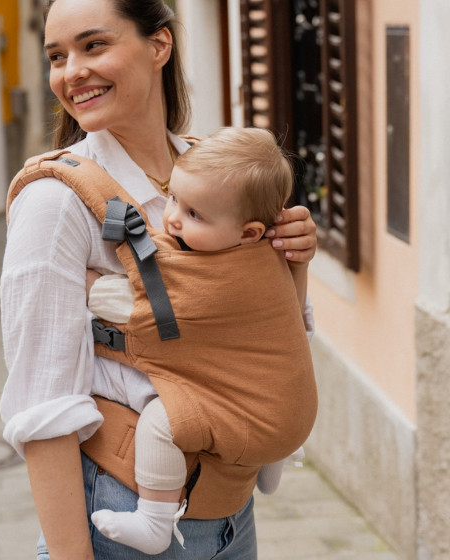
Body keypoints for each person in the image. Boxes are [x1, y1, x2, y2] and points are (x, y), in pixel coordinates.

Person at [0, 1, 318, 559]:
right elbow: (42, 406)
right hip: (123, 517)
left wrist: (293, 262)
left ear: (159, 46)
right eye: (56, 56)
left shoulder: (215, 175)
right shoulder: (56, 201)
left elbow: (264, 336)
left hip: (231, 516)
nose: (71, 71)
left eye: (93, 46)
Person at [87, 126, 311, 554]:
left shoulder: (215, 276)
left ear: (248, 232)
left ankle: (154, 521)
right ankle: (269, 463)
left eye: (195, 215)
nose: (172, 218)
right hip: (288, 413)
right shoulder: (268, 253)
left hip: (261, 423)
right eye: (172, 196)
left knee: (163, 422)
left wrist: (88, 282)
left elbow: (130, 301)